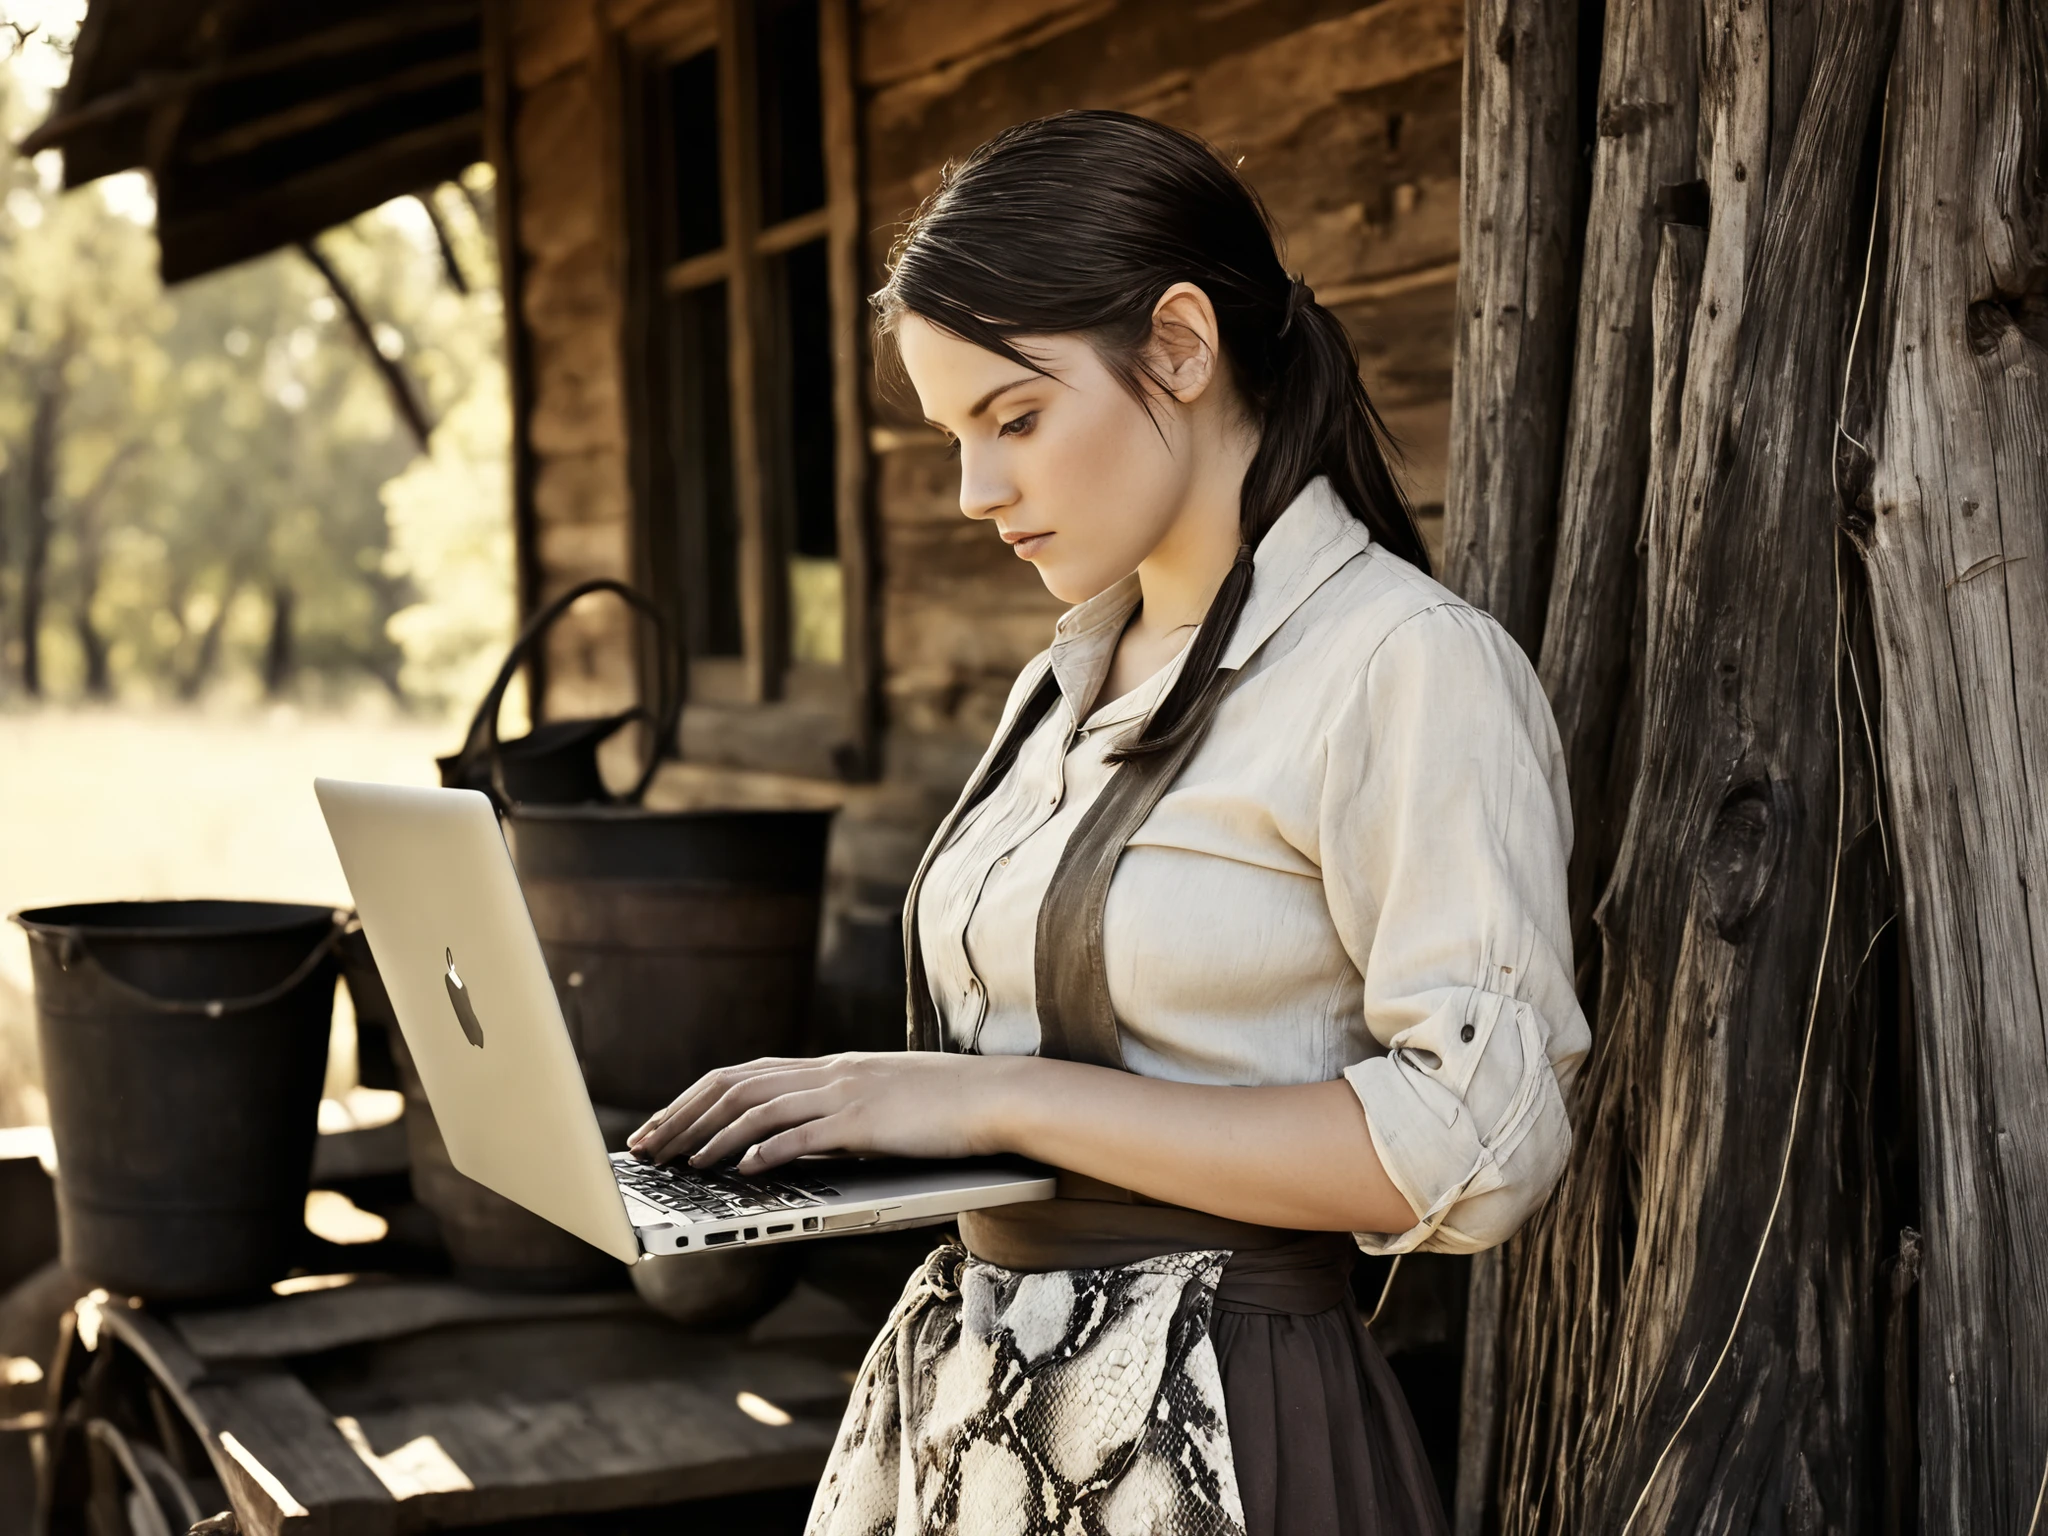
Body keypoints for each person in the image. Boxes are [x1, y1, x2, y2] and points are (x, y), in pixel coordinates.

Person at [629, 109, 1588, 1536]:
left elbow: (1475, 1138)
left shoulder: (1402, 664)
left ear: (1183, 348)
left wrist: (987, 1100)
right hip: (985, 1407)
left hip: (1212, 1423)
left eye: (1015, 419)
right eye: (956, 436)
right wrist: (853, 1112)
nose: (976, 491)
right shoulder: (1068, 674)